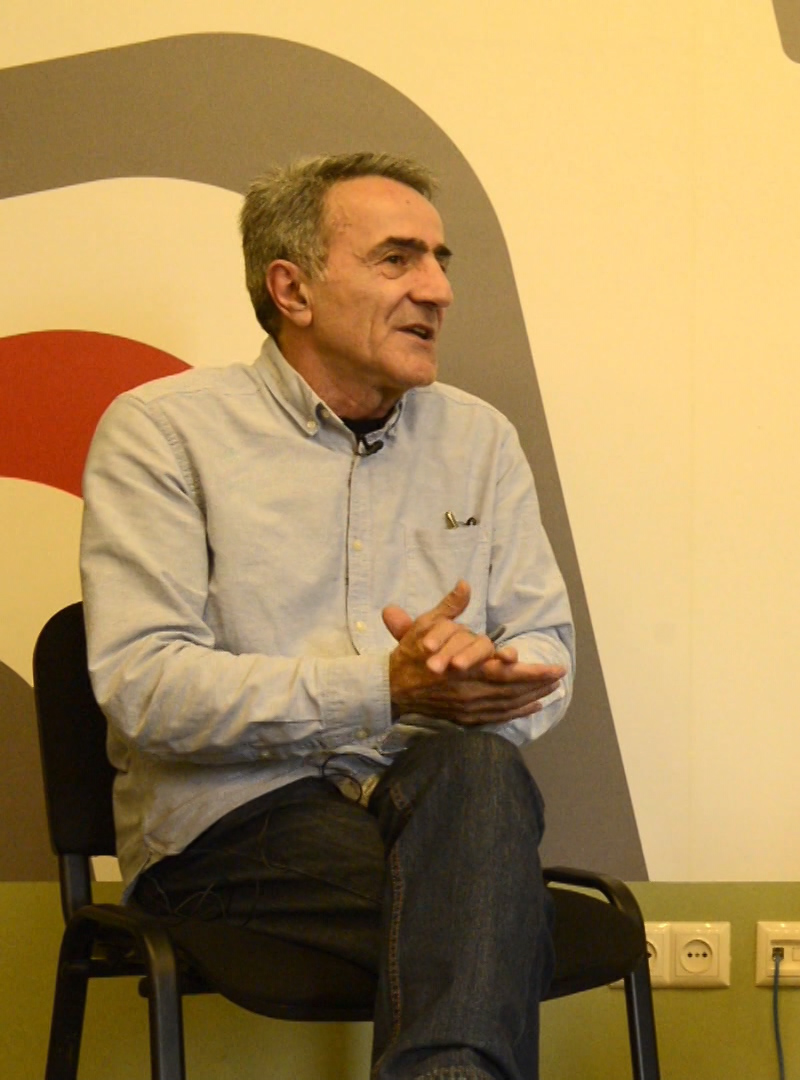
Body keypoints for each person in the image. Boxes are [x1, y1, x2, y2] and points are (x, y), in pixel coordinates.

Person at [81, 152, 575, 1080]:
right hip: (233, 827)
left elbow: (546, 649)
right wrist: (384, 689)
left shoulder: (480, 439)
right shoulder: (163, 432)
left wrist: (491, 677)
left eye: (440, 261)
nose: (438, 290)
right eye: (397, 259)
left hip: (439, 809)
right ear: (292, 290)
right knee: (491, 916)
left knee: (476, 779)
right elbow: (145, 687)